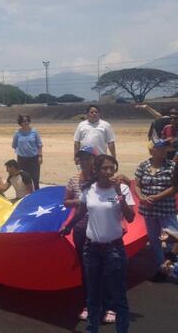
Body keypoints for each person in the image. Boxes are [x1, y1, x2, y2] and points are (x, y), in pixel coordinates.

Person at [60, 155, 135, 333]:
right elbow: (81, 211)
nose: (109, 171)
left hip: (114, 249)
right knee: (93, 295)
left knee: (119, 296)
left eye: (112, 168)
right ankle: (92, 329)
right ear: (97, 170)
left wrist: (119, 194)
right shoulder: (89, 189)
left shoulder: (123, 189)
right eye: (105, 168)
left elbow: (131, 218)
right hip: (91, 249)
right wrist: (68, 226)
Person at [134, 140, 178, 282]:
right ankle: (162, 268)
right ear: (152, 151)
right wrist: (141, 197)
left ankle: (173, 266)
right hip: (149, 210)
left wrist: (157, 197)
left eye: (165, 149)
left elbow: (175, 187)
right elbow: (137, 184)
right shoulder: (143, 165)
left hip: (165, 209)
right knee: (154, 240)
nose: (164, 152)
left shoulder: (172, 166)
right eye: (160, 149)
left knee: (173, 238)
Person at [63, 145, 98, 321]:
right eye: (82, 158)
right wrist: (81, 201)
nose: (84, 162)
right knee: (85, 267)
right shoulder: (73, 179)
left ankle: (106, 304)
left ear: (94, 159)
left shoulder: (102, 178)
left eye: (88, 158)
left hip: (100, 229)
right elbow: (66, 202)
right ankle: (88, 303)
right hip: (80, 229)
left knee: (101, 266)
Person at [12, 114, 43, 190]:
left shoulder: (34, 132)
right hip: (22, 159)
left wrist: (40, 156)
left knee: (35, 178)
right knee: (24, 178)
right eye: (24, 121)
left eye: (27, 121)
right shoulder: (17, 133)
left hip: (34, 158)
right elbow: (14, 145)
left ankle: (36, 195)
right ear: (21, 122)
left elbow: (39, 145)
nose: (26, 122)